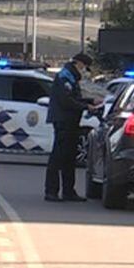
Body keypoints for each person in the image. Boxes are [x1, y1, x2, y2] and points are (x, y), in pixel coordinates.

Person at [44, 52, 102, 202]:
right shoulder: (65, 77)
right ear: (79, 64)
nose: (84, 71)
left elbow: (74, 98)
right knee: (58, 157)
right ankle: (51, 191)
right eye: (85, 67)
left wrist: (90, 100)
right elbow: (66, 101)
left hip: (71, 121)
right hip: (63, 121)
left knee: (69, 157)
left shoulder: (70, 76)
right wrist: (87, 107)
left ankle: (69, 191)